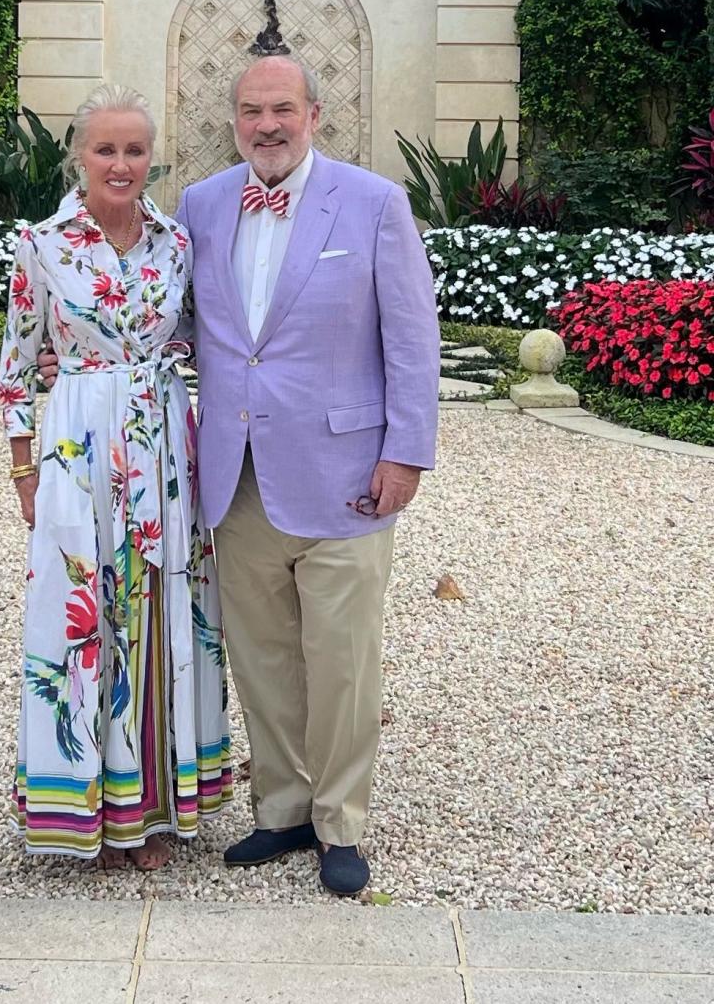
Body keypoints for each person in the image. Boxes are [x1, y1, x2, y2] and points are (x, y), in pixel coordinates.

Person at [39, 54, 440, 895]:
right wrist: (78, 349)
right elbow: (167, 319)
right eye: (252, 111)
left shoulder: (374, 205)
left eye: (283, 109)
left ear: (314, 114)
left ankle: (341, 822)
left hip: (345, 474)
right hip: (230, 476)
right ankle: (283, 808)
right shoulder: (202, 208)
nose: (267, 125)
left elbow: (412, 340)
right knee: (260, 658)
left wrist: (405, 453)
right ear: (234, 121)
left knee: (341, 660)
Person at [0, 83, 231, 871]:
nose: (121, 164)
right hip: (76, 452)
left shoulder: (178, 244)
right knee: (82, 620)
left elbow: (207, 340)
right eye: (106, 149)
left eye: (135, 150)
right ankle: (85, 811)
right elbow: (15, 370)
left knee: (164, 612)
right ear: (79, 154)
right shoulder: (41, 243)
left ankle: (154, 814)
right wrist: (25, 468)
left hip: (165, 447)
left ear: (151, 157)